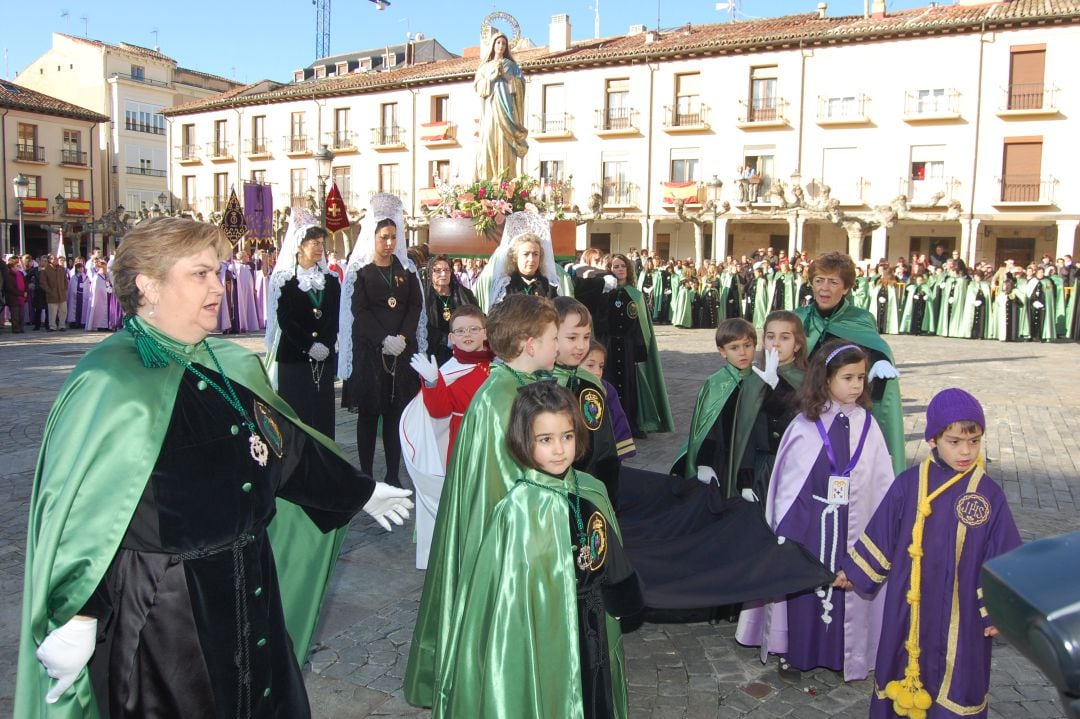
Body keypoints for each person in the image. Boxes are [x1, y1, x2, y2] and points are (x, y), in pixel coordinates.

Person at [15, 217, 414, 718]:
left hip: (250, 584)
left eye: (218, 271)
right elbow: (85, 519)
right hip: (169, 612)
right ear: (148, 285)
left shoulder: (223, 362)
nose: (217, 286)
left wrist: (358, 491)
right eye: (200, 273)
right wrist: (79, 613)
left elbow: (281, 446)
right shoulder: (111, 381)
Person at [435, 381, 643, 718]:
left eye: (567, 436)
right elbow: (506, 596)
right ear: (523, 441)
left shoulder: (590, 490)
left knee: (594, 696)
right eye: (545, 440)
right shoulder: (518, 509)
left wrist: (624, 594)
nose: (559, 449)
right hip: (545, 636)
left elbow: (607, 548)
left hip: (591, 626)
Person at [404, 294, 559, 708]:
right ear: (530, 343)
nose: (558, 347)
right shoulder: (502, 399)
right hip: (501, 538)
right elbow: (503, 482)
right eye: (554, 338)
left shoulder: (515, 384)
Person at [836, 389, 1021, 719]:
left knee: (958, 680)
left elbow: (1004, 558)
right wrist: (854, 572)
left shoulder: (988, 496)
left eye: (975, 441)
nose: (966, 451)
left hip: (961, 617)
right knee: (901, 668)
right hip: (909, 611)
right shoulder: (909, 485)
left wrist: (999, 611)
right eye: (954, 441)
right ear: (933, 440)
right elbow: (882, 534)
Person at [735, 340, 895, 683]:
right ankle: (795, 652)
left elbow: (881, 487)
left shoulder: (870, 427)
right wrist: (789, 536)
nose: (856, 385)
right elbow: (789, 486)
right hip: (810, 528)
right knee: (803, 592)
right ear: (825, 380)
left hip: (854, 529)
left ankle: (845, 653)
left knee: (847, 595)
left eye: (861, 378)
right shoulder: (805, 426)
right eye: (848, 377)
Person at [340, 193, 425, 487]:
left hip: (401, 351)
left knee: (394, 415)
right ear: (373, 237)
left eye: (393, 237)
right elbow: (359, 310)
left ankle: (392, 473)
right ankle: (365, 473)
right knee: (368, 415)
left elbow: (415, 305)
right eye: (384, 237)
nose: (389, 243)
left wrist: (402, 337)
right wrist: (382, 339)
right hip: (370, 353)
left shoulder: (406, 270)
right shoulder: (361, 271)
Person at [401, 304, 494, 569]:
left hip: (495, 440)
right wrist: (432, 382)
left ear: (485, 332)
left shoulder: (498, 364)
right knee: (468, 498)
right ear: (451, 337)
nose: (468, 334)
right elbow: (440, 411)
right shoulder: (448, 371)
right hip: (464, 442)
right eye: (460, 330)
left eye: (474, 329)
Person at [795, 252, 905, 474]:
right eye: (819, 281)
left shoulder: (859, 318)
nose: (824, 288)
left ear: (845, 288)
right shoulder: (798, 318)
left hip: (843, 415)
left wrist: (879, 361)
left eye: (833, 282)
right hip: (804, 408)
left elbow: (872, 348)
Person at [265, 215, 340, 438]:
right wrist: (309, 345)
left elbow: (335, 316)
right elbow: (285, 320)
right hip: (294, 359)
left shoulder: (331, 279)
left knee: (322, 416)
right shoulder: (284, 280)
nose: (320, 248)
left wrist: (325, 343)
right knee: (297, 416)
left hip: (323, 357)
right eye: (314, 243)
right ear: (300, 246)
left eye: (321, 243)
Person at [553, 296, 623, 505]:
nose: (581, 346)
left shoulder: (588, 388)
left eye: (586, 337)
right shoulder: (532, 379)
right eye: (572, 338)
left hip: (579, 491)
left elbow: (603, 450)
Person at [602, 253, 673, 438]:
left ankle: (632, 425)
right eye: (616, 266)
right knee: (611, 384)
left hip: (628, 346)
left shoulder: (636, 295)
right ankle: (612, 425)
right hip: (609, 345)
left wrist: (640, 348)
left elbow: (641, 325)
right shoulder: (605, 293)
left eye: (622, 266)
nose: (620, 269)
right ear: (610, 269)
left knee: (630, 386)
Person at [472, 211, 571, 312]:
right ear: (515, 257)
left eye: (535, 254)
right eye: (526, 254)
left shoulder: (550, 286)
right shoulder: (505, 287)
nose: (531, 259)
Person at [473, 32, 528, 181]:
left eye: (504, 43)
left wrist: (506, 76)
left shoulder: (511, 66)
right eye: (498, 43)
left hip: (506, 109)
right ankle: (489, 178)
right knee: (489, 138)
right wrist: (492, 77)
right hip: (490, 108)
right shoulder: (484, 67)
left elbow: (521, 84)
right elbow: (478, 86)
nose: (501, 46)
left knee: (505, 141)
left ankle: (506, 179)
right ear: (493, 45)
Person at [582, 340, 636, 461]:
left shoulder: (607, 389)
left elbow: (618, 418)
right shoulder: (570, 387)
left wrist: (621, 451)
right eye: (590, 365)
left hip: (605, 451)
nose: (597, 371)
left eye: (601, 366)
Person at [424, 254, 478, 365]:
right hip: (434, 353)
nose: (443, 274)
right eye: (437, 270)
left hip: (462, 351)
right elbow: (422, 325)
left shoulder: (465, 294)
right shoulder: (424, 297)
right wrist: (446, 340)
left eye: (446, 270)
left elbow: (476, 317)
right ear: (430, 273)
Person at [40, 254, 70, 331]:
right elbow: (43, 283)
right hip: (52, 295)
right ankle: (52, 326)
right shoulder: (45, 270)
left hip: (62, 294)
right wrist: (49, 291)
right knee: (52, 312)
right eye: (53, 259)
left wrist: (65, 288)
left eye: (56, 259)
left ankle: (62, 325)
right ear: (50, 260)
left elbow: (65, 280)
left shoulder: (62, 269)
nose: (56, 260)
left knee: (63, 311)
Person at [5, 256, 27, 333]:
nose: (19, 267)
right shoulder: (9, 275)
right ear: (12, 267)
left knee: (21, 314)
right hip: (13, 298)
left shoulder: (20, 273)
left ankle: (21, 327)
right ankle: (15, 329)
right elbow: (10, 288)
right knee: (15, 315)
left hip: (21, 297)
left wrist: (25, 291)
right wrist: (21, 293)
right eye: (17, 266)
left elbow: (25, 283)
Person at [66, 261, 89, 329]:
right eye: (79, 268)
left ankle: (82, 322)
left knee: (83, 309)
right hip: (75, 296)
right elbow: (71, 287)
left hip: (83, 296)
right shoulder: (73, 277)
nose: (80, 269)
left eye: (81, 268)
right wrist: (74, 292)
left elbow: (87, 287)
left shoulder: (86, 278)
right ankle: (74, 322)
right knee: (74, 309)